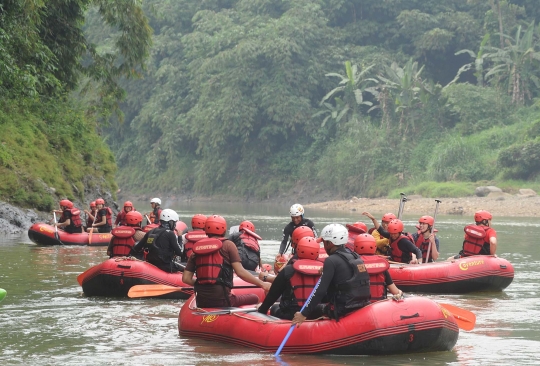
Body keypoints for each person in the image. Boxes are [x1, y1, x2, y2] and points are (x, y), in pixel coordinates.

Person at [182, 214, 271, 308]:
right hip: (223, 301)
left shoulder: (196, 250)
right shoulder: (228, 245)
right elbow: (240, 272)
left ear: (206, 230)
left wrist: (203, 284)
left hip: (202, 301)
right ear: (224, 230)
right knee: (255, 298)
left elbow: (186, 279)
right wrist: (262, 284)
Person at [291, 224, 371, 326]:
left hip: (343, 310)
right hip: (361, 305)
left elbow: (320, 291)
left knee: (311, 308)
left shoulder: (331, 260)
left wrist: (303, 314)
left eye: (324, 242)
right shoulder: (355, 256)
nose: (323, 246)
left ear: (329, 243)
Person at [257, 237, 323, 320]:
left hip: (291, 315)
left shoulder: (288, 270)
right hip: (314, 314)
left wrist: (262, 311)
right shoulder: (323, 270)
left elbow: (273, 295)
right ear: (317, 253)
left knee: (274, 308)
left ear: (298, 250)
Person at [353, 233, 403, 301]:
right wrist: (400, 292)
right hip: (378, 306)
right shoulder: (381, 266)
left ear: (355, 247)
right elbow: (395, 292)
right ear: (374, 247)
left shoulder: (353, 265)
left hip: (360, 307)